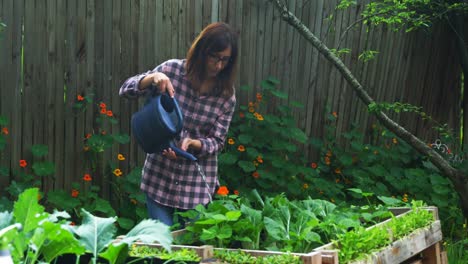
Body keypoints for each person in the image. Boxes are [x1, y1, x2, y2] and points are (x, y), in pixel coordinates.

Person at [119, 22, 238, 227]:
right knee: (162, 249)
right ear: (202, 51)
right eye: (214, 57)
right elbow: (125, 90)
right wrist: (152, 78)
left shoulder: (226, 96)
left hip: (196, 187)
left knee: (190, 253)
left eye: (225, 60)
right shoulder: (171, 71)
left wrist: (193, 144)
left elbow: (217, 141)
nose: (218, 66)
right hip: (159, 177)